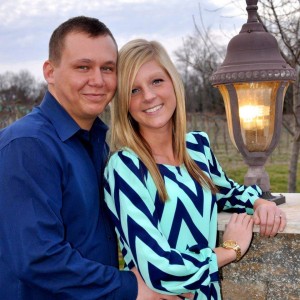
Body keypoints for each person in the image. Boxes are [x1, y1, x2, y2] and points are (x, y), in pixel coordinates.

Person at [0, 17, 192, 300]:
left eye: (107, 68)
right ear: (50, 72)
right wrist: (129, 287)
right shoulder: (27, 145)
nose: (98, 80)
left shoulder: (98, 145)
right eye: (83, 67)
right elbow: (38, 258)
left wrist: (255, 202)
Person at [103, 39, 287, 299]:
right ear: (123, 103)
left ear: (173, 83)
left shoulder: (196, 148)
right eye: (133, 90)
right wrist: (230, 249)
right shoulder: (125, 168)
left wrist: (258, 202)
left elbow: (223, 191)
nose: (149, 96)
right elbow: (159, 270)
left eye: (156, 81)